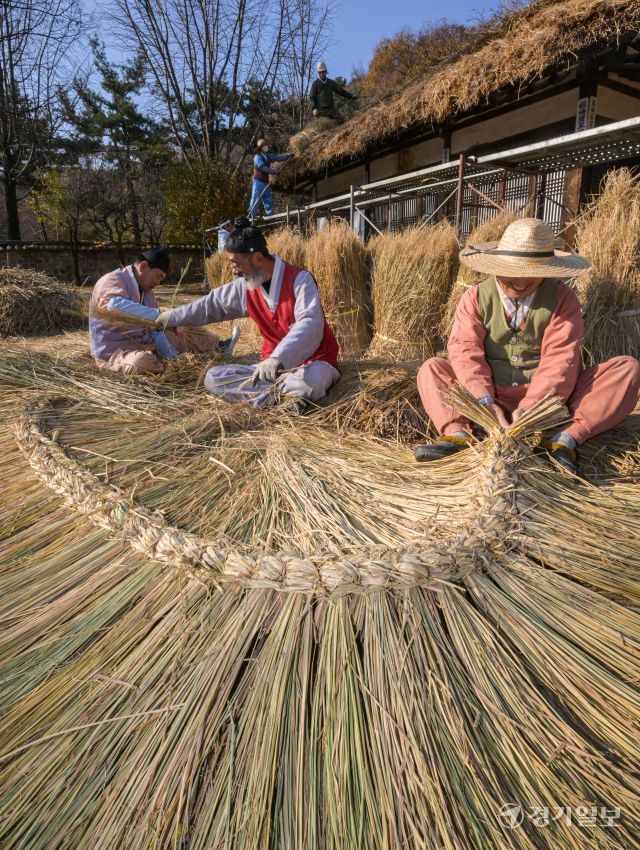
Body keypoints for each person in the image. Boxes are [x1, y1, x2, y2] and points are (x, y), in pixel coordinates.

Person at [414, 218, 640, 474]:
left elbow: (560, 360)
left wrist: (532, 409)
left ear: (546, 269)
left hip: (549, 401)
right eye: (513, 270)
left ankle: (561, 441)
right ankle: (458, 435)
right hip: (487, 396)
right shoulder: (475, 298)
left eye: (530, 272)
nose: (520, 281)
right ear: (497, 266)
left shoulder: (563, 299)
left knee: (627, 370)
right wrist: (485, 401)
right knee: (432, 369)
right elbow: (466, 352)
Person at [157, 226, 340, 412]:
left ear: (257, 258)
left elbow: (310, 323)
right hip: (269, 370)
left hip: (313, 362)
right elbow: (211, 305)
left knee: (313, 380)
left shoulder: (300, 280)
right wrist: (172, 317)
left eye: (235, 263)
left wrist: (278, 358)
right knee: (213, 378)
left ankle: (280, 395)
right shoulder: (246, 286)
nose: (234, 271)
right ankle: (284, 397)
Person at [89, 246, 239, 376]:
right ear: (143, 266)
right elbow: (113, 306)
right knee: (142, 362)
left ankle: (219, 347)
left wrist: (172, 358)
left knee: (182, 325)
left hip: (145, 344)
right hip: (115, 353)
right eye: (158, 277)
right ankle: (155, 363)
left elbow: (156, 330)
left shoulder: (147, 293)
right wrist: (159, 316)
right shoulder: (113, 280)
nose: (159, 283)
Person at [248, 139, 291, 218]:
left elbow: (277, 157)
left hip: (265, 181)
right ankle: (252, 214)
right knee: (256, 197)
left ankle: (270, 215)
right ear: (260, 148)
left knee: (268, 197)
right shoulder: (257, 157)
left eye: (266, 145)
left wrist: (288, 155)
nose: (266, 147)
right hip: (258, 181)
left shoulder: (267, 157)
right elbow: (262, 167)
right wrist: (273, 171)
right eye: (264, 145)